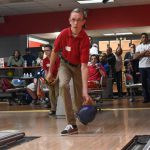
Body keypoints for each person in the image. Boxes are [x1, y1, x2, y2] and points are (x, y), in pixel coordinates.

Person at [46, 8, 92, 136]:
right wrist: (50, 72)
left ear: (83, 21)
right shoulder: (64, 34)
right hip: (64, 64)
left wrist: (85, 90)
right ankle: (71, 124)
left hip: (78, 67)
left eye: (78, 20)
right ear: (69, 21)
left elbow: (84, 66)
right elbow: (54, 52)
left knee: (79, 101)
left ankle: (82, 111)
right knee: (63, 85)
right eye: (73, 20)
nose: (75, 23)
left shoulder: (85, 39)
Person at [42, 45, 60, 115]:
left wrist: (56, 79)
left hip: (57, 78)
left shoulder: (57, 58)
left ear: (51, 51)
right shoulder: (45, 60)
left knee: (57, 94)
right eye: (45, 51)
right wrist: (47, 80)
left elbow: (59, 70)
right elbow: (46, 71)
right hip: (50, 79)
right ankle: (53, 109)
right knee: (51, 94)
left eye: (47, 50)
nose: (46, 52)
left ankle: (59, 109)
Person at [134, 33, 150, 103]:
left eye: (146, 37)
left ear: (148, 38)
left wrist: (140, 54)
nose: (144, 38)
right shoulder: (138, 47)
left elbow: (139, 55)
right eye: (143, 37)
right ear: (141, 38)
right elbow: (136, 57)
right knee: (144, 83)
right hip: (142, 67)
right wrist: (145, 52)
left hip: (149, 66)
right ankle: (146, 98)